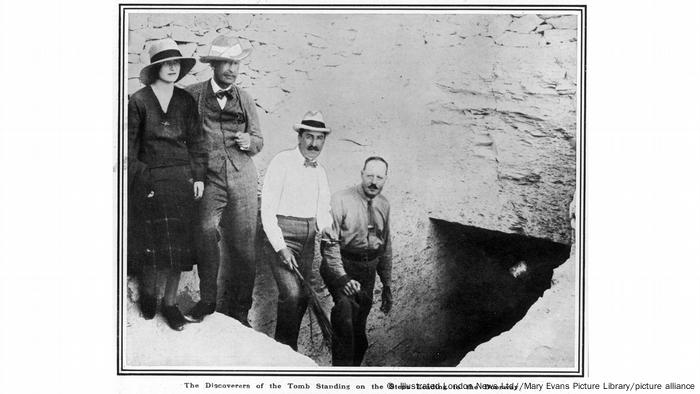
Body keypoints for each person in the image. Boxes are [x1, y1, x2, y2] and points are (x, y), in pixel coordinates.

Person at [127, 38, 208, 331]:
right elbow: (130, 150)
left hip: (181, 180)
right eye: (166, 63)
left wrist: (198, 176)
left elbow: (198, 143)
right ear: (156, 67)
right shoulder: (138, 101)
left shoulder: (186, 101)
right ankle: (149, 296)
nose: (172, 68)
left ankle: (170, 304)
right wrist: (142, 181)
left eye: (176, 63)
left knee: (180, 248)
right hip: (150, 180)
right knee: (151, 244)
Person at [183, 35, 263, 326]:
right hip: (210, 178)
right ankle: (207, 300)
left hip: (242, 177)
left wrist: (248, 141)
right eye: (227, 62)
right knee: (204, 230)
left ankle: (240, 311)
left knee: (244, 245)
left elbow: (259, 141)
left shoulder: (245, 98)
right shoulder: (192, 95)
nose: (232, 68)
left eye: (236, 63)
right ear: (214, 65)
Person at [260, 110, 344, 350]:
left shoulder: (320, 171)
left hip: (308, 241)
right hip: (281, 236)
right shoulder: (282, 162)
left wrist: (328, 230)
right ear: (299, 137)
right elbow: (267, 210)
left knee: (303, 297)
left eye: (319, 139)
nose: (314, 144)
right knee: (293, 294)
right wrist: (281, 247)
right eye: (309, 137)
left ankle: (288, 349)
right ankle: (282, 350)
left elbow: (322, 211)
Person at [320, 156, 393, 366]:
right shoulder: (341, 199)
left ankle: (351, 376)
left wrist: (387, 283)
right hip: (341, 266)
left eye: (379, 177)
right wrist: (342, 278)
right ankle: (339, 378)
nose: (374, 181)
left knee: (359, 338)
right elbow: (329, 244)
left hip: (367, 273)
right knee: (345, 318)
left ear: (385, 179)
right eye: (369, 175)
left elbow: (385, 246)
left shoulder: (384, 205)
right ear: (361, 174)